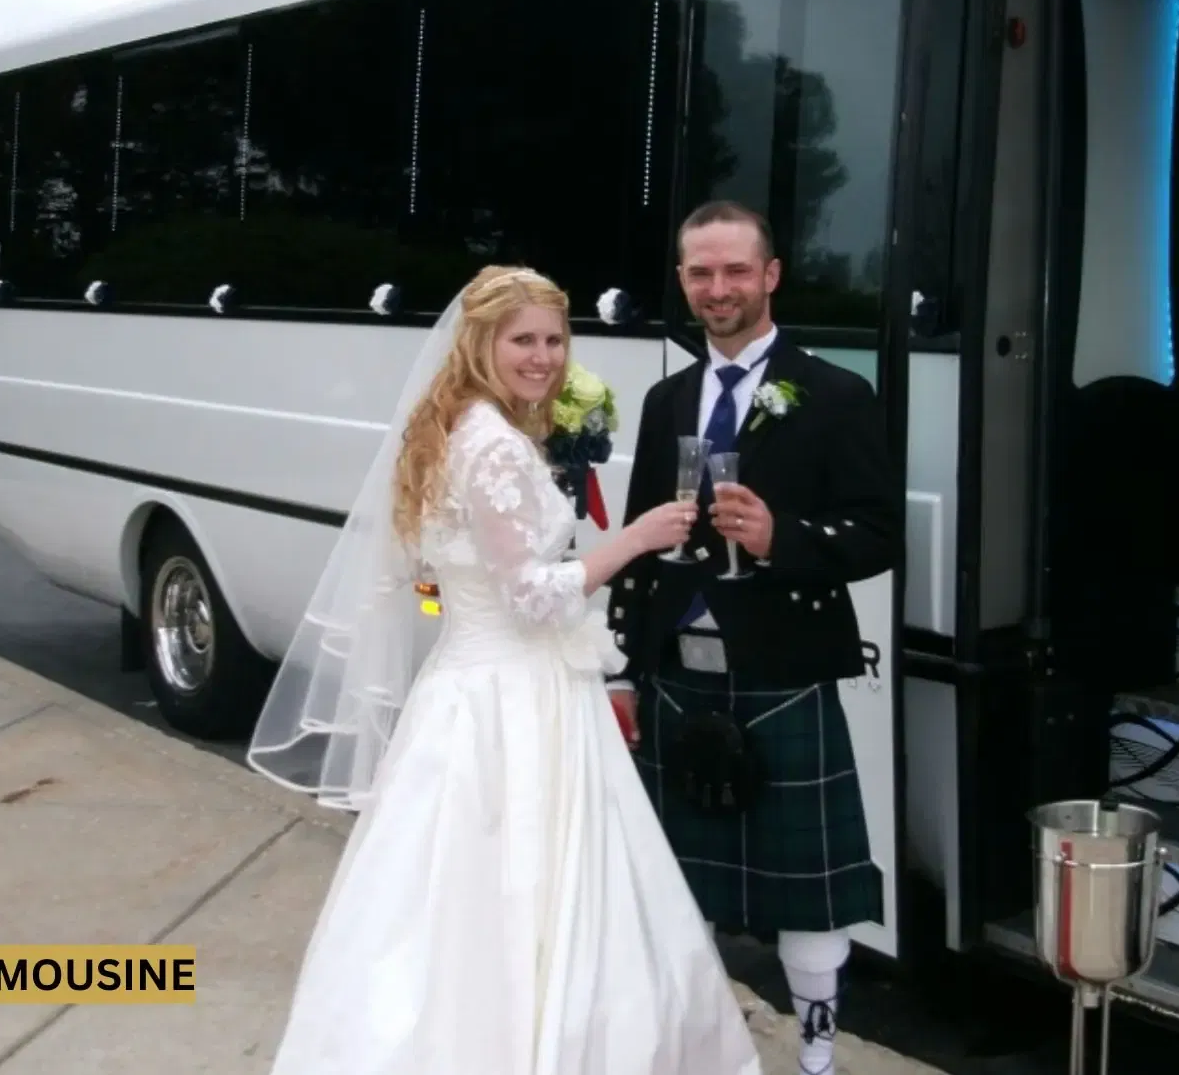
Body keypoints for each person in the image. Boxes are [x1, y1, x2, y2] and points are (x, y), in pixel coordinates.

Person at [247, 265, 761, 1075]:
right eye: (524, 339)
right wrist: (633, 539)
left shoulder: (465, 425)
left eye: (556, 339)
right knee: (522, 891)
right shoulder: (490, 447)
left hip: (479, 688)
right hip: (514, 699)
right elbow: (531, 597)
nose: (545, 358)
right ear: (480, 342)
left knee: (458, 902)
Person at [605, 201, 899, 1075]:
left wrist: (783, 543)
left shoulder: (838, 393)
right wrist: (624, 668)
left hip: (780, 667)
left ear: (771, 276)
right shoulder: (666, 399)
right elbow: (637, 543)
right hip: (675, 671)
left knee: (807, 894)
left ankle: (815, 1059)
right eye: (701, 273)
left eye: (736, 270)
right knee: (677, 882)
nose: (718, 288)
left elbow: (881, 534)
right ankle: (697, 1049)